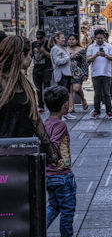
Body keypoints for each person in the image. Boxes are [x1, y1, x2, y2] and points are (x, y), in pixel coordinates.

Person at [43, 85, 92, 237]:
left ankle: (37, 233)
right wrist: (58, 161)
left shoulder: (46, 123)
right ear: (65, 105)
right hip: (62, 175)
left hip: (49, 175)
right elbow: (54, 145)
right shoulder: (60, 125)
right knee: (67, 209)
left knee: (54, 206)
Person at [0, 36, 60, 164]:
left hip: (23, 155)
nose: (31, 59)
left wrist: (52, 153)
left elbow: (35, 120)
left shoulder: (25, 84)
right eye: (30, 55)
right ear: (21, 55)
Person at [86, 29, 112, 119]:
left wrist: (105, 55)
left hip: (107, 73)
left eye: (101, 38)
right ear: (95, 38)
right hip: (96, 73)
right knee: (97, 94)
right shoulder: (91, 47)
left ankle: (109, 111)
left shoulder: (109, 46)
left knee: (107, 93)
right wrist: (95, 55)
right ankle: (96, 111)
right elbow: (87, 60)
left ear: (104, 38)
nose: (99, 40)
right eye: (98, 38)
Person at [50, 32, 74, 119]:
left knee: (66, 94)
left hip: (66, 74)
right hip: (61, 75)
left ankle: (66, 112)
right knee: (61, 95)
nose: (64, 39)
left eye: (64, 38)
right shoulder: (55, 49)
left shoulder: (62, 48)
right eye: (62, 38)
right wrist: (69, 58)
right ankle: (60, 114)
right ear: (57, 39)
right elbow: (58, 61)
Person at [66, 34, 88, 114]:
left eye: (73, 39)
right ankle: (71, 107)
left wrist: (85, 74)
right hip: (68, 72)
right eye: (69, 39)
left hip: (78, 72)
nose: (71, 41)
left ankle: (83, 99)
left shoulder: (81, 50)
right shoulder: (65, 49)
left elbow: (84, 63)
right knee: (71, 89)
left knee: (76, 88)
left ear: (77, 41)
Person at [32, 30, 52, 112]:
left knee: (47, 87)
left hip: (46, 68)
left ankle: (49, 104)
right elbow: (30, 54)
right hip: (36, 68)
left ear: (44, 37)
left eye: (40, 38)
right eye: (37, 38)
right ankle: (40, 105)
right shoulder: (33, 44)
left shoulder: (48, 44)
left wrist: (44, 51)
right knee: (38, 88)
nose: (38, 40)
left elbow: (52, 56)